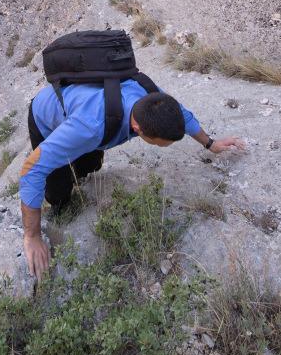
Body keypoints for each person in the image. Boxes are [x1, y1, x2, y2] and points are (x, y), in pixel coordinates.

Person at [19, 79, 245, 277]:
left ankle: (75, 171)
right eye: (162, 143)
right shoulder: (91, 127)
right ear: (138, 129)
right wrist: (32, 236)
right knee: (58, 189)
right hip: (46, 116)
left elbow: (181, 116)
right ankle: (60, 200)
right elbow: (31, 170)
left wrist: (211, 144)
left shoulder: (149, 96)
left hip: (81, 110)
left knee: (92, 164)